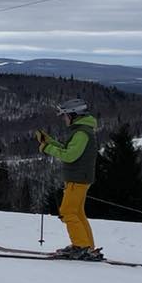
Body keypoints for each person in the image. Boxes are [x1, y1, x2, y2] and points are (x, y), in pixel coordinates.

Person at [37, 100, 102, 259]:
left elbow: (69, 156)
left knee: (67, 212)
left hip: (77, 179)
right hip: (80, 178)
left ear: (74, 115)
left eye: (65, 116)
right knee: (78, 213)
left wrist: (47, 148)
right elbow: (69, 150)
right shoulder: (82, 131)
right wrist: (50, 142)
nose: (64, 119)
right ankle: (87, 247)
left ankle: (80, 246)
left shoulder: (81, 133)